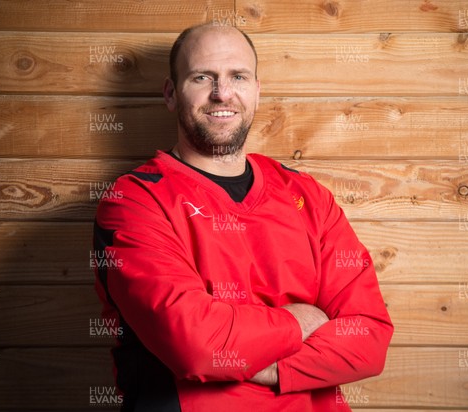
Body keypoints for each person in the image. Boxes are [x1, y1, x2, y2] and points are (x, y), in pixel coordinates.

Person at [93, 23, 393, 412]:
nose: (222, 93)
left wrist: (262, 364)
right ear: (171, 93)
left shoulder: (307, 195)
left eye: (238, 76)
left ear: (256, 90)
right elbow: (195, 344)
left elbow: (369, 338)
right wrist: (297, 322)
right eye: (203, 77)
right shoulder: (135, 200)